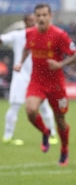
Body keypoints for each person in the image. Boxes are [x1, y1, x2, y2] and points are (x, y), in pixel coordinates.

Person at [14, 3, 76, 165]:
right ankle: (45, 131)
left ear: (50, 16)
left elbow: (75, 55)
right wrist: (21, 62)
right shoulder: (30, 33)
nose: (41, 18)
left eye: (44, 15)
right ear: (34, 17)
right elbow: (27, 48)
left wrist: (60, 65)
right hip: (37, 81)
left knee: (60, 120)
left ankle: (64, 149)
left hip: (56, 84)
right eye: (38, 15)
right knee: (30, 110)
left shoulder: (59, 35)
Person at [1, 13, 57, 146]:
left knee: (44, 107)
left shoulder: (44, 35)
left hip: (38, 77)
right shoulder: (18, 35)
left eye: (34, 20)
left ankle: (52, 134)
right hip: (20, 77)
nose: (33, 22)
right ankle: (8, 136)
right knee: (14, 106)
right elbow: (2, 39)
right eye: (30, 20)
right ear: (25, 22)